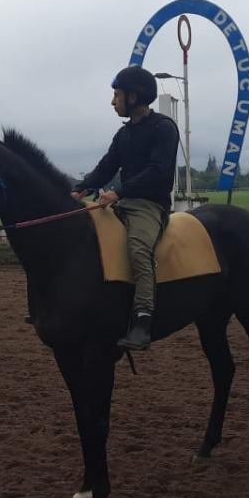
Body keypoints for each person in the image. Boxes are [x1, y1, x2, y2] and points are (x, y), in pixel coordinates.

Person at [71, 65, 179, 350]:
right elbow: (107, 166)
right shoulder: (124, 134)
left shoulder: (164, 128)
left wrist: (118, 192)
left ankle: (143, 320)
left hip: (149, 205)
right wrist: (81, 189)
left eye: (116, 95)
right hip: (123, 201)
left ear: (133, 96)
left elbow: (158, 170)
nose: (112, 101)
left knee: (137, 250)